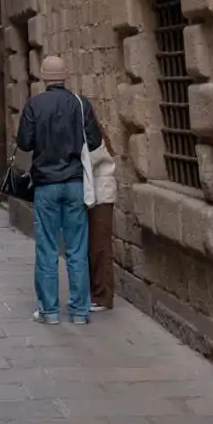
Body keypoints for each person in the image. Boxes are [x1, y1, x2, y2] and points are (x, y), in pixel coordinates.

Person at [16, 54, 101, 325]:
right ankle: (79, 311)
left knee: (47, 249)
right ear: (65, 76)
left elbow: (25, 143)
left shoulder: (34, 104)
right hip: (75, 183)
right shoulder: (80, 104)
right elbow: (96, 141)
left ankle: (49, 312)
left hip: (46, 185)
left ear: (43, 77)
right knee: (77, 248)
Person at [88, 127, 118, 311]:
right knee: (94, 247)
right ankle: (96, 293)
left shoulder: (95, 138)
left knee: (100, 247)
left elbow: (87, 162)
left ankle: (103, 297)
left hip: (102, 197)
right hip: (95, 197)